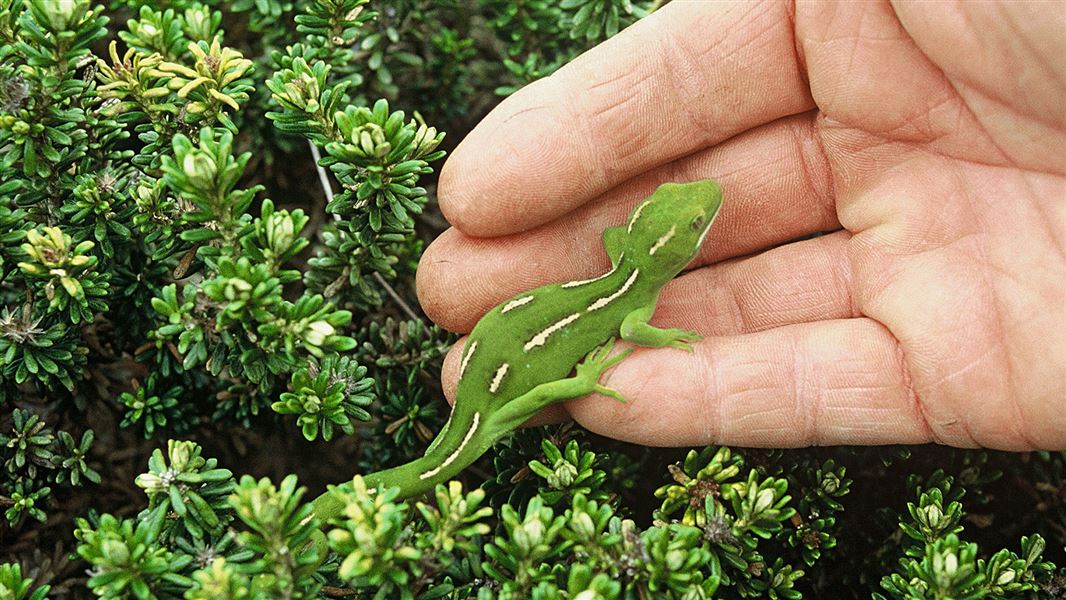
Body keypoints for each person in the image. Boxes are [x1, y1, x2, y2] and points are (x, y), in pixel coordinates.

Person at [415, 1, 1065, 450]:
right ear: (684, 248)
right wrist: (641, 348)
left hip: (563, 317)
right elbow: (636, 325)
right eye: (698, 220)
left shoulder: (625, 265)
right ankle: (578, 381)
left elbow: (621, 250)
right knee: (551, 391)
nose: (706, 206)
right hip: (523, 371)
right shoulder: (633, 299)